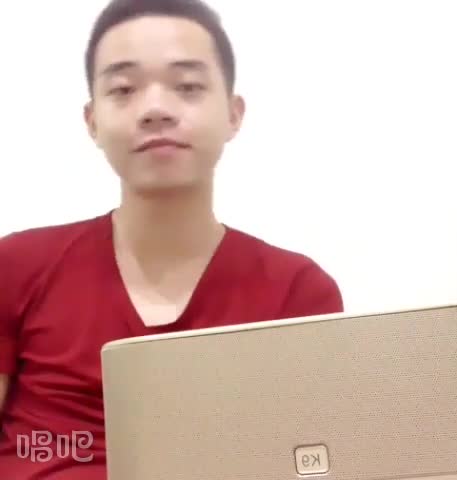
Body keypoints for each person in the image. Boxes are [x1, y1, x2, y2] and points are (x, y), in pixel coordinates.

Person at [0, 0, 343, 478]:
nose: (155, 109)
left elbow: (313, 464)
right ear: (92, 120)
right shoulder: (16, 266)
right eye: (124, 89)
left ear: (233, 114)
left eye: (187, 86)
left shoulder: (299, 293)